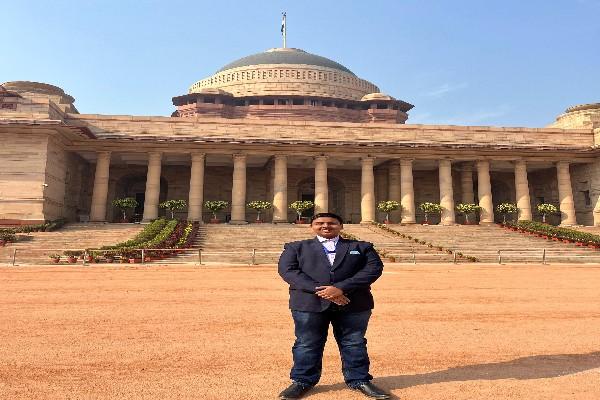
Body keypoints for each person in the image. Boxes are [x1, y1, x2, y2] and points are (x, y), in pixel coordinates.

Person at [277, 212, 390, 399]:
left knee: (354, 342)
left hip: (353, 302)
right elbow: (288, 271)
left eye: (332, 223)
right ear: (311, 226)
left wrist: (341, 288)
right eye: (320, 223)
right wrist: (323, 291)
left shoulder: (361, 247)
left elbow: (373, 269)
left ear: (341, 226)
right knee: (306, 343)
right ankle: (302, 381)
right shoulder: (296, 247)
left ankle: (359, 379)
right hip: (309, 303)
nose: (326, 226)